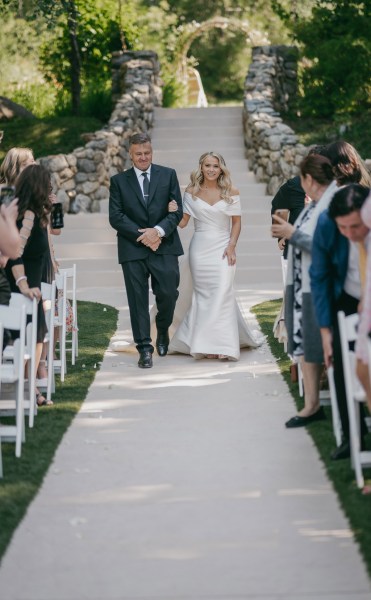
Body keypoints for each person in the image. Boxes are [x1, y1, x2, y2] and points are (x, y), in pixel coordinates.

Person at [167, 151, 262, 361]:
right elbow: (182, 223)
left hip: (222, 247)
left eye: (215, 166)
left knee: (222, 293)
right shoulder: (191, 191)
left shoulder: (231, 190)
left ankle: (224, 345)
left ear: (221, 169)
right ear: (201, 167)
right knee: (203, 297)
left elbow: (236, 222)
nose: (211, 169)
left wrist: (232, 245)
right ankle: (204, 345)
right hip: (199, 250)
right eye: (207, 165)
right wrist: (172, 210)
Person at [272, 154, 337, 427]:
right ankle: (311, 405)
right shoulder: (315, 205)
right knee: (307, 347)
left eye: (302, 179)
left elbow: (328, 248)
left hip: (317, 287)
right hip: (302, 288)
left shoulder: (332, 205)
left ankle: (334, 408)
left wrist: (291, 233)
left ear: (310, 179)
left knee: (316, 346)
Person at [109, 132, 184, 369]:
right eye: (139, 154)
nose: (144, 157)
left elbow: (177, 212)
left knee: (169, 293)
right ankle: (144, 348)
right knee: (137, 299)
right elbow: (116, 217)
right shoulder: (118, 181)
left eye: (147, 153)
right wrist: (144, 235)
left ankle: (162, 330)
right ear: (130, 155)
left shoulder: (168, 174)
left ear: (152, 151)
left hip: (165, 246)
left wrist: (158, 232)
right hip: (133, 249)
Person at [310, 184, 370, 459]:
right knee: (341, 365)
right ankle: (352, 435)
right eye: (343, 228)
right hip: (346, 296)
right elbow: (319, 275)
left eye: (355, 226)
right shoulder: (326, 224)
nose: (349, 234)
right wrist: (325, 331)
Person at [5, 164, 53, 406]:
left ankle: (30, 388)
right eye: (47, 183)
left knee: (37, 337)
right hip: (21, 287)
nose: (50, 188)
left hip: (33, 285)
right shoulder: (28, 216)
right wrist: (23, 285)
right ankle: (27, 389)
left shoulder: (37, 213)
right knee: (30, 337)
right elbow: (16, 253)